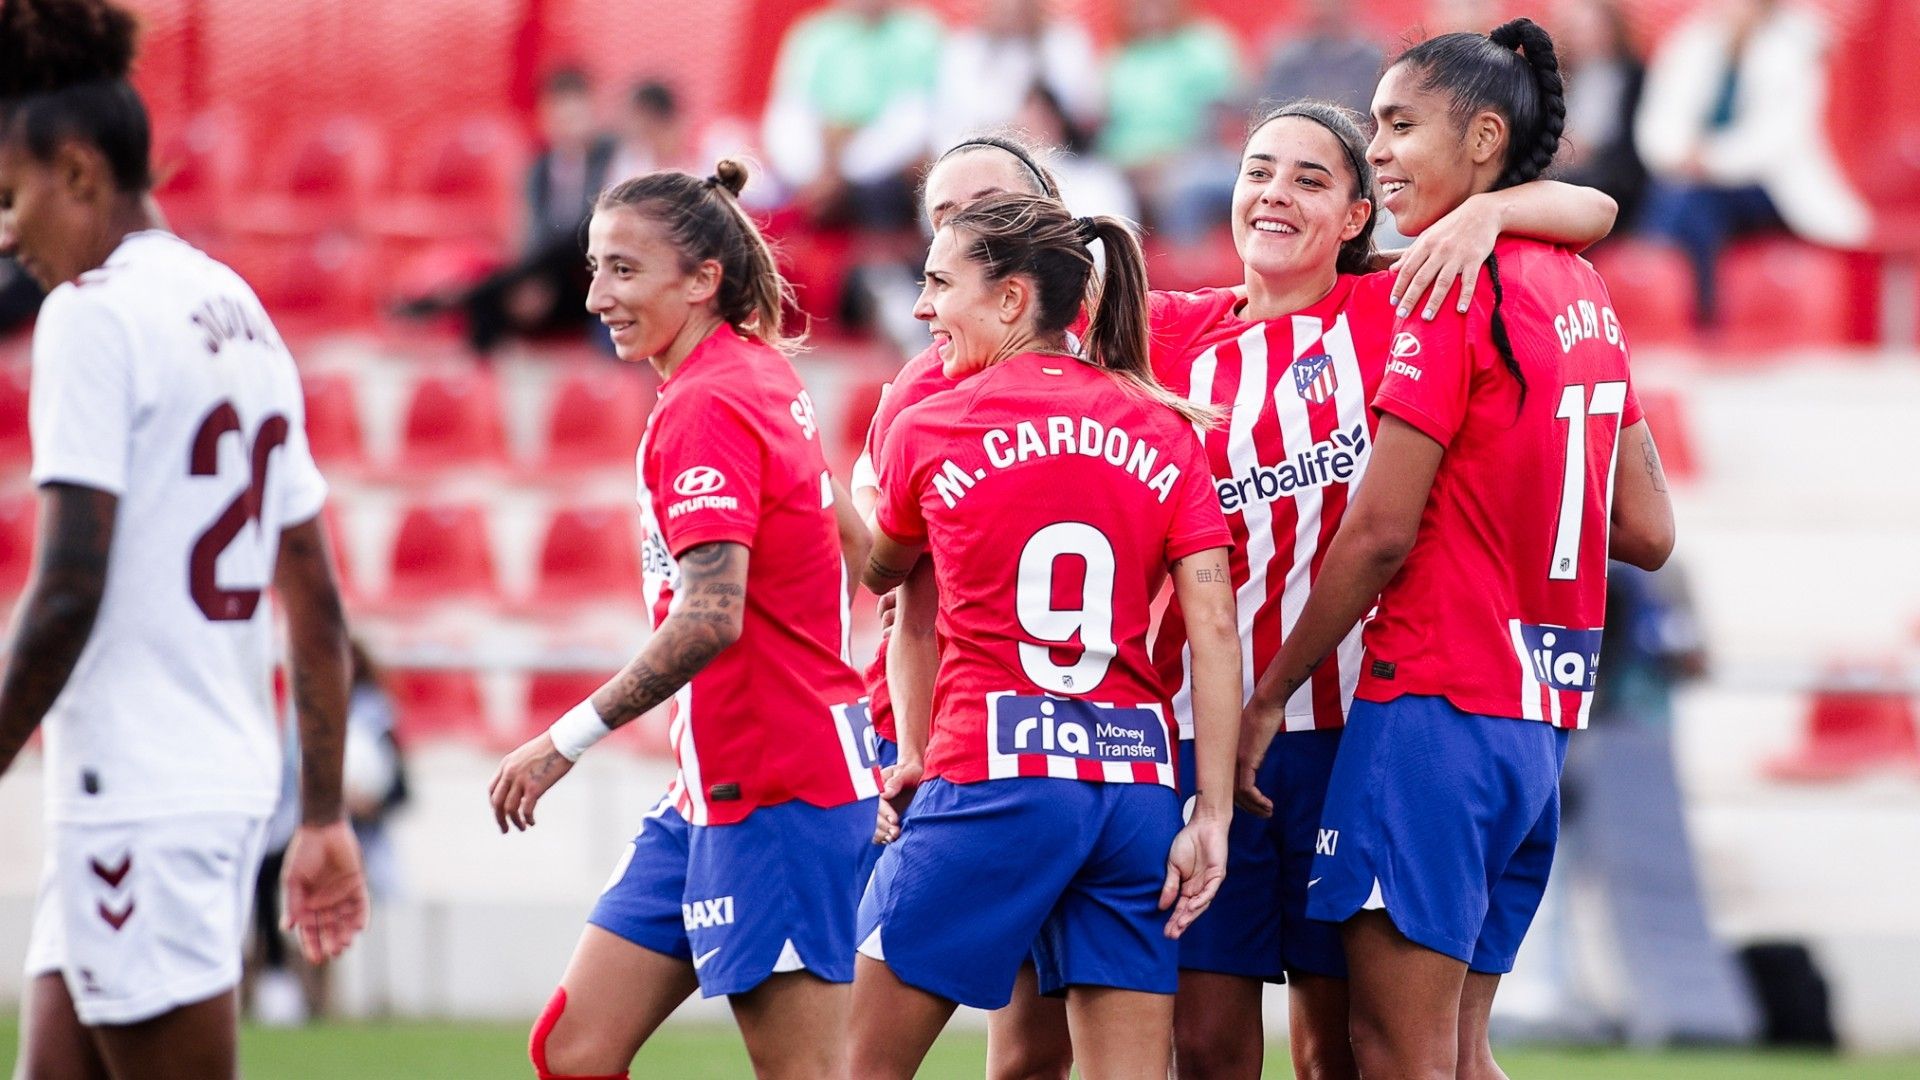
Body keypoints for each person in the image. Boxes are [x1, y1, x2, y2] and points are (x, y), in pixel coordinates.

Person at [1238, 20, 1675, 1080]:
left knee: (1392, 1054)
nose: (1376, 148)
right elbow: (1650, 532)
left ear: (1484, 139)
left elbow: (1381, 533)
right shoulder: (1582, 289)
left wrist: (1269, 693)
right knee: (1461, 1056)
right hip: (1535, 728)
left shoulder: (1451, 287)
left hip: (1434, 706)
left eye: (1398, 125)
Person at [1149, 101, 1619, 1080]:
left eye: (1311, 180)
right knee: (1202, 1048)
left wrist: (1486, 216)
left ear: (1362, 216)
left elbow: (1595, 208)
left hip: (1352, 733)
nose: (1274, 193)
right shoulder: (1164, 334)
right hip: (1205, 738)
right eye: (1258, 171)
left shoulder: (1403, 303)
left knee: (1341, 1051)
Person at [0, 2, 369, 1076]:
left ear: (77, 172)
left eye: (12, 199)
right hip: (204, 775)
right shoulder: (238, 307)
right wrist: (322, 812)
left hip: (139, 792)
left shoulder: (90, 314)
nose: (9, 233)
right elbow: (317, 595)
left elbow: (67, 584)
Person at [486, 159, 882, 1080]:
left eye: (624, 270)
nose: (595, 297)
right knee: (575, 1048)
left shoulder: (707, 404)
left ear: (703, 279)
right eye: (595, 267)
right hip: (716, 788)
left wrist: (563, 741)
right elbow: (852, 540)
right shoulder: (757, 373)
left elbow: (712, 615)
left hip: (779, 787)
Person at [850, 192, 1239, 1080]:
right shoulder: (1169, 427)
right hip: (1135, 790)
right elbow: (1213, 626)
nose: (921, 307)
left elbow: (885, 577)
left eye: (940, 283)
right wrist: (1208, 812)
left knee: (845, 1064)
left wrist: (833, 497)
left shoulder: (931, 426)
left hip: (992, 777)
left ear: (1015, 299)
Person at [1634, 0, 1871, 326]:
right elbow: (1660, 121)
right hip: (1698, 182)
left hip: (1771, 186)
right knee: (1685, 201)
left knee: (1691, 205)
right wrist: (1681, 156)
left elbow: (1777, 137)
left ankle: (1688, 314)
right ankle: (1670, 307)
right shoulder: (1694, 42)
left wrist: (1709, 160)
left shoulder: (1792, 50)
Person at [399, 67, 618, 356]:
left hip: (589, 277)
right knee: (489, 306)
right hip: (548, 278)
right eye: (561, 116)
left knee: (579, 233)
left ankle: (450, 300)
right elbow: (529, 234)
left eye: (575, 116)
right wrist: (531, 282)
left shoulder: (611, 157)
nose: (569, 126)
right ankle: (476, 386)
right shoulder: (539, 168)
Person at [761, 0, 944, 230]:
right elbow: (790, 115)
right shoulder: (814, 34)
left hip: (880, 173)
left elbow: (911, 124)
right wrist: (817, 175)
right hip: (814, 169)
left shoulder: (920, 34)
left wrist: (844, 173)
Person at [931, 0, 1103, 158]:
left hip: (1061, 158)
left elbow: (1086, 115)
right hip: (980, 157)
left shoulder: (1066, 45)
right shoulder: (963, 51)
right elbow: (948, 124)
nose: (1011, 7)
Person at [1555, 0, 1648, 227]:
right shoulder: (1560, 76)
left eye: (1592, 27)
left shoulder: (1633, 76)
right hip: (1567, 168)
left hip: (1612, 177)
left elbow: (1632, 142)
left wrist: (1591, 150)